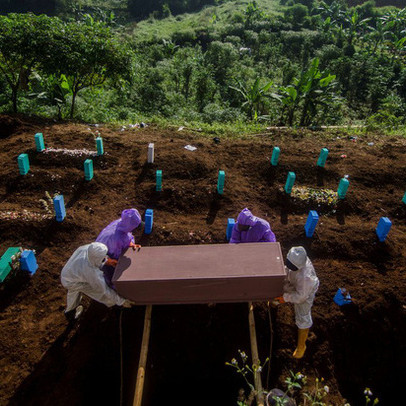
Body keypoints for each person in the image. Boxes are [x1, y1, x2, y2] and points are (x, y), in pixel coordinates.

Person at [61, 242, 132, 321]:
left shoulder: (88, 249)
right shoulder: (91, 272)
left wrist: (107, 261)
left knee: (73, 292)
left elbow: (96, 258)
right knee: (97, 293)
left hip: (68, 273)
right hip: (71, 281)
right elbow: (103, 289)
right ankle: (71, 315)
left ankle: (69, 311)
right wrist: (121, 301)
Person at [273, 246, 319, 359]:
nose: (288, 265)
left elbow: (300, 297)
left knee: (303, 316)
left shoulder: (306, 278)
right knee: (279, 288)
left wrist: (285, 298)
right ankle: (274, 305)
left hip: (305, 293)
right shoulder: (296, 258)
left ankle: (301, 346)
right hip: (294, 281)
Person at [96, 208, 143, 287]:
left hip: (105, 246)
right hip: (101, 255)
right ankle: (112, 286)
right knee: (110, 271)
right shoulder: (116, 240)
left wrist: (130, 244)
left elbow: (126, 237)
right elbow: (116, 258)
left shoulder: (121, 223)